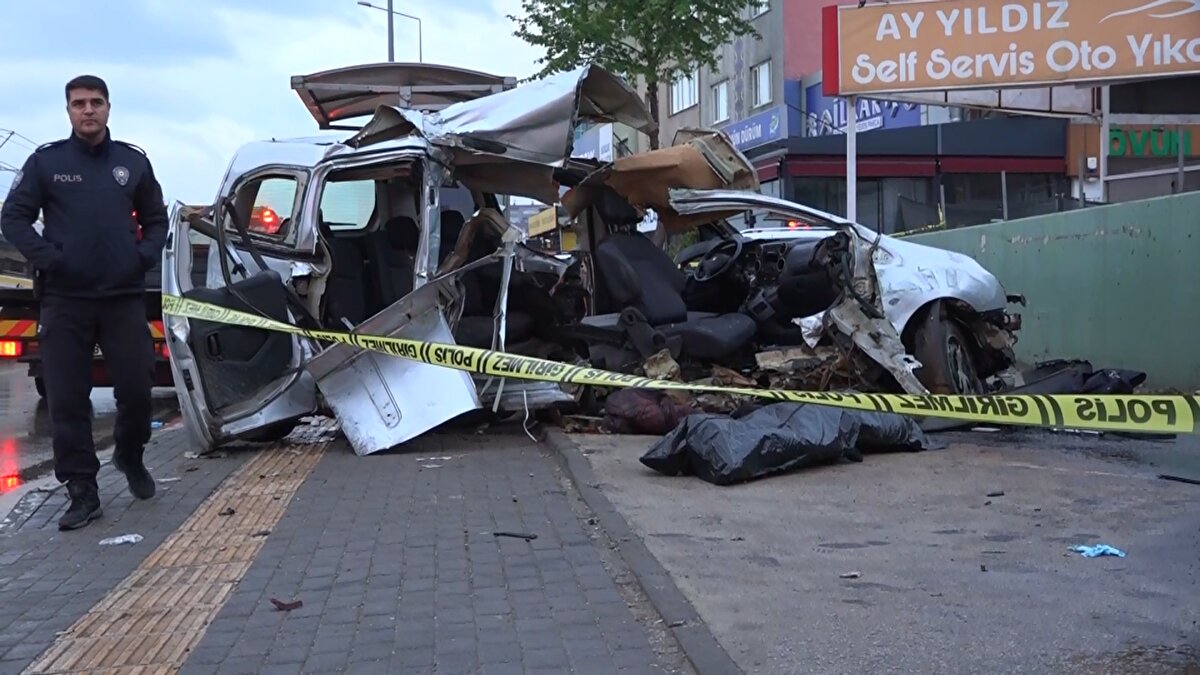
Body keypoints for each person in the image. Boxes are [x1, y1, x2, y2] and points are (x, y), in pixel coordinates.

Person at [0, 75, 169, 530]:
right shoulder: (46, 163)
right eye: (79, 103)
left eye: (96, 102)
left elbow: (157, 220)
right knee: (67, 400)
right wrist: (49, 259)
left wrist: (140, 258)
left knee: (137, 388)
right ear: (68, 111)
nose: (88, 110)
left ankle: (129, 454)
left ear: (108, 108)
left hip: (122, 297)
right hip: (65, 299)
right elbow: (13, 218)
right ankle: (82, 491)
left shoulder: (132, 163)